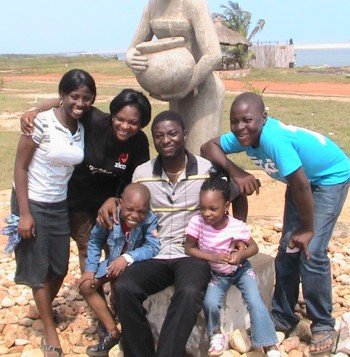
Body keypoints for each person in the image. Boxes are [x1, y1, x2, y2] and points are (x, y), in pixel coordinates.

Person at [200, 92, 350, 355]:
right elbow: (208, 147)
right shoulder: (242, 137)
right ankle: (283, 315)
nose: (240, 127)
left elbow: (302, 184)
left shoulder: (274, 140)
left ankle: (323, 324)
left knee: (311, 250)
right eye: (234, 121)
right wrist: (238, 171)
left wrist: (307, 228)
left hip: (328, 179)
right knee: (287, 249)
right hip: (299, 184)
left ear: (264, 118)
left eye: (247, 120)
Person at [97, 110, 247, 356]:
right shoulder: (142, 174)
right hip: (153, 251)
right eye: (159, 136)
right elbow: (130, 204)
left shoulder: (207, 170)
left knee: (188, 293)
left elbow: (236, 195)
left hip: (192, 253)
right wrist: (112, 200)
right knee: (125, 288)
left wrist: (238, 237)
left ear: (184, 134)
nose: (166, 140)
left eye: (172, 133)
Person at [21, 88, 152, 273]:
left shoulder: (138, 142)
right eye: (120, 119)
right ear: (112, 114)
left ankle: (116, 295)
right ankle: (90, 288)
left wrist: (118, 200)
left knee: (116, 248)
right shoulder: (94, 120)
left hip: (112, 203)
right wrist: (34, 110)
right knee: (87, 247)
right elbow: (64, 103)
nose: (124, 126)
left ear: (141, 124)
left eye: (133, 123)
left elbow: (137, 181)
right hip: (78, 200)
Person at [12, 69, 95, 357]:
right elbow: (20, 167)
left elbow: (70, 106)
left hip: (59, 203)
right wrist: (24, 213)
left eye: (86, 98)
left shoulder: (81, 125)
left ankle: (44, 306)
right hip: (32, 200)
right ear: (63, 96)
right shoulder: (42, 123)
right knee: (38, 267)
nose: (80, 103)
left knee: (59, 266)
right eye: (74, 96)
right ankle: (49, 331)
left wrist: (38, 104)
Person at [185, 169, 279, 357]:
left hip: (241, 270)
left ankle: (268, 342)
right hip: (218, 274)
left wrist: (240, 255)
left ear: (226, 206)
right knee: (210, 302)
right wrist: (212, 257)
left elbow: (254, 247)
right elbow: (189, 249)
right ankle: (216, 335)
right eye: (202, 208)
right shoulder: (197, 223)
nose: (207, 214)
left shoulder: (236, 225)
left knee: (255, 301)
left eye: (213, 209)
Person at [126, 0, 225, 154]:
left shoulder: (195, 4)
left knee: (200, 156)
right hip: (175, 93)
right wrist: (131, 57)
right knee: (176, 155)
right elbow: (133, 47)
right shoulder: (152, 6)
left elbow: (213, 55)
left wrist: (187, 87)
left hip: (201, 89)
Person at [79, 183, 160, 356]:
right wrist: (90, 269)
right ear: (120, 203)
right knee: (86, 285)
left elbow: (153, 246)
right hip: (113, 261)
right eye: (129, 209)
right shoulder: (108, 216)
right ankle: (112, 332)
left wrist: (127, 258)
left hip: (137, 263)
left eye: (141, 211)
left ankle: (130, 333)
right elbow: (94, 241)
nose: (134, 215)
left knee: (122, 287)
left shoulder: (150, 219)